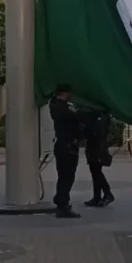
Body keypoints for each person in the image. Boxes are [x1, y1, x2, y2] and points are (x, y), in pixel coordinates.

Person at [49, 83, 84, 218]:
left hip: (62, 145)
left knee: (63, 176)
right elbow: (76, 118)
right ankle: (63, 205)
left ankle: (61, 201)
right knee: (67, 176)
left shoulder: (55, 105)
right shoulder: (63, 109)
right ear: (66, 93)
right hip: (68, 146)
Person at [83, 108, 114, 208]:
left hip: (97, 148)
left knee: (97, 172)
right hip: (94, 148)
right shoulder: (100, 116)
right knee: (95, 172)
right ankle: (97, 197)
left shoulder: (99, 118)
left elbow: (97, 132)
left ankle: (107, 193)